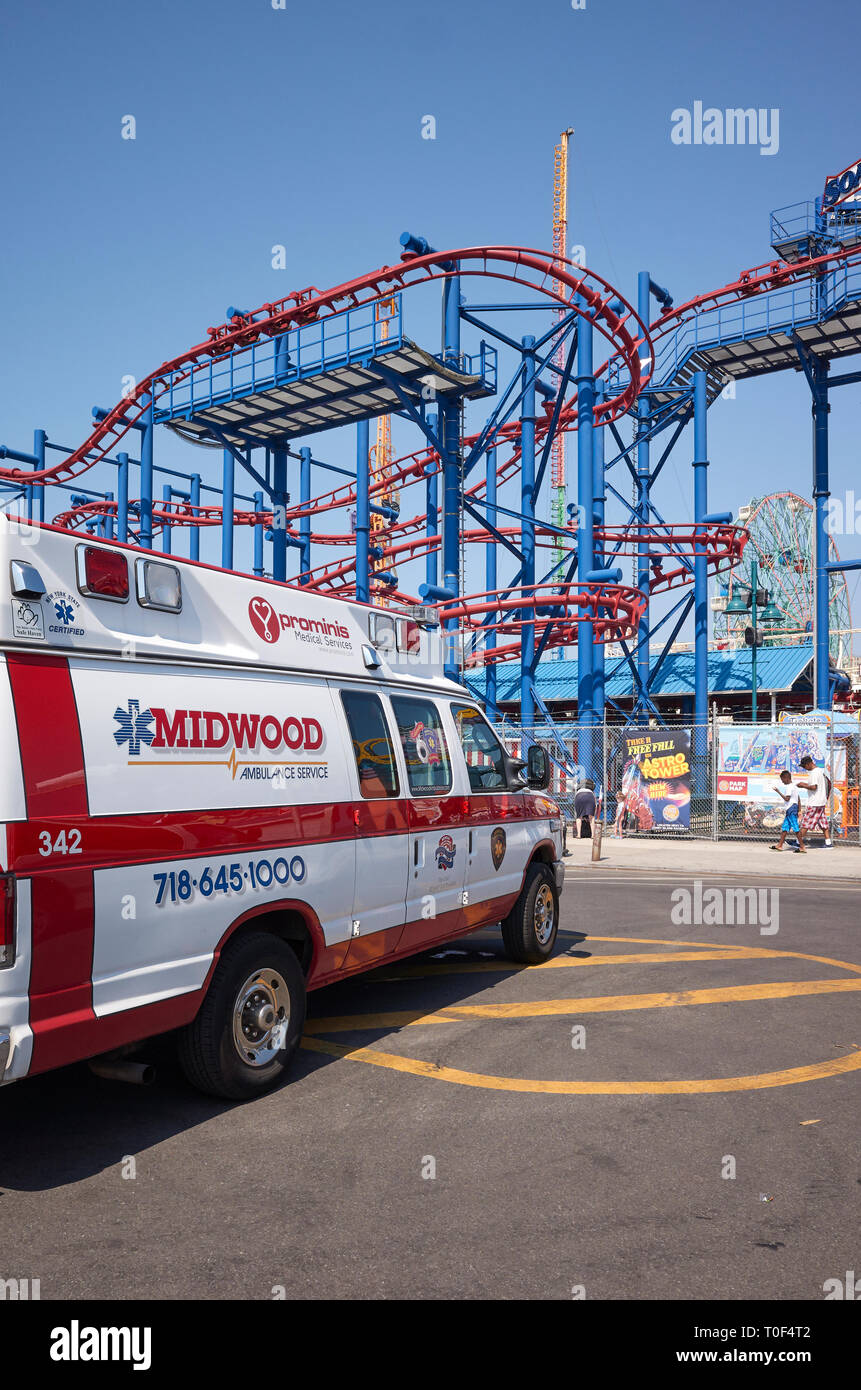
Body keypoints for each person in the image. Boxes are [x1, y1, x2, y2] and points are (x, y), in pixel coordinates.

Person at [796, 755, 831, 853]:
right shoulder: (819, 771)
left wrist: (802, 785)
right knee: (822, 822)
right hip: (821, 801)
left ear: (808, 764)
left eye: (804, 766)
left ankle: (798, 842)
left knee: (805, 822)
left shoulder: (814, 773)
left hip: (814, 802)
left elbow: (814, 787)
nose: (804, 768)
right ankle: (828, 843)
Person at [770, 770, 800, 851]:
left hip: (791, 809)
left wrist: (778, 791)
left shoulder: (789, 787)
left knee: (795, 827)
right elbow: (798, 798)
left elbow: (787, 799)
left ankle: (802, 846)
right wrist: (799, 809)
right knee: (785, 827)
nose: (782, 782)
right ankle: (780, 845)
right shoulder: (793, 786)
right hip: (791, 809)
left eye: (782, 780)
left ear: (786, 778)